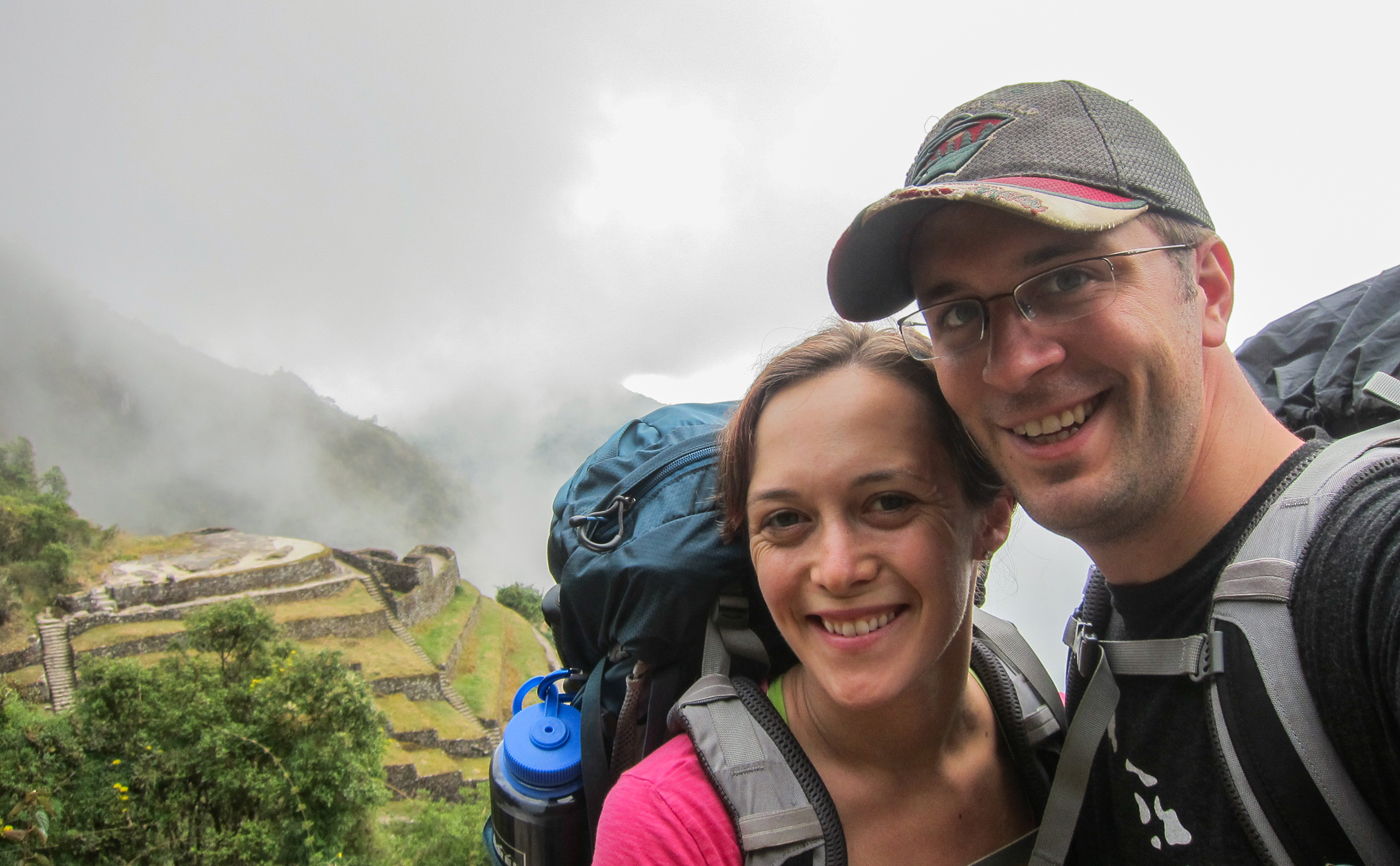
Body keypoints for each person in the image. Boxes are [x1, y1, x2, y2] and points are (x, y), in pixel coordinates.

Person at [825, 79, 1400, 863]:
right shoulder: (1108, 634)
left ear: (1207, 288)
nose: (1016, 364)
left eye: (1067, 279)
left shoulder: (1366, 577)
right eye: (959, 313)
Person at [593, 322, 1044, 866]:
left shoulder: (1053, 726)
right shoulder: (672, 825)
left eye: (888, 503)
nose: (836, 571)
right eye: (785, 519)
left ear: (994, 514)